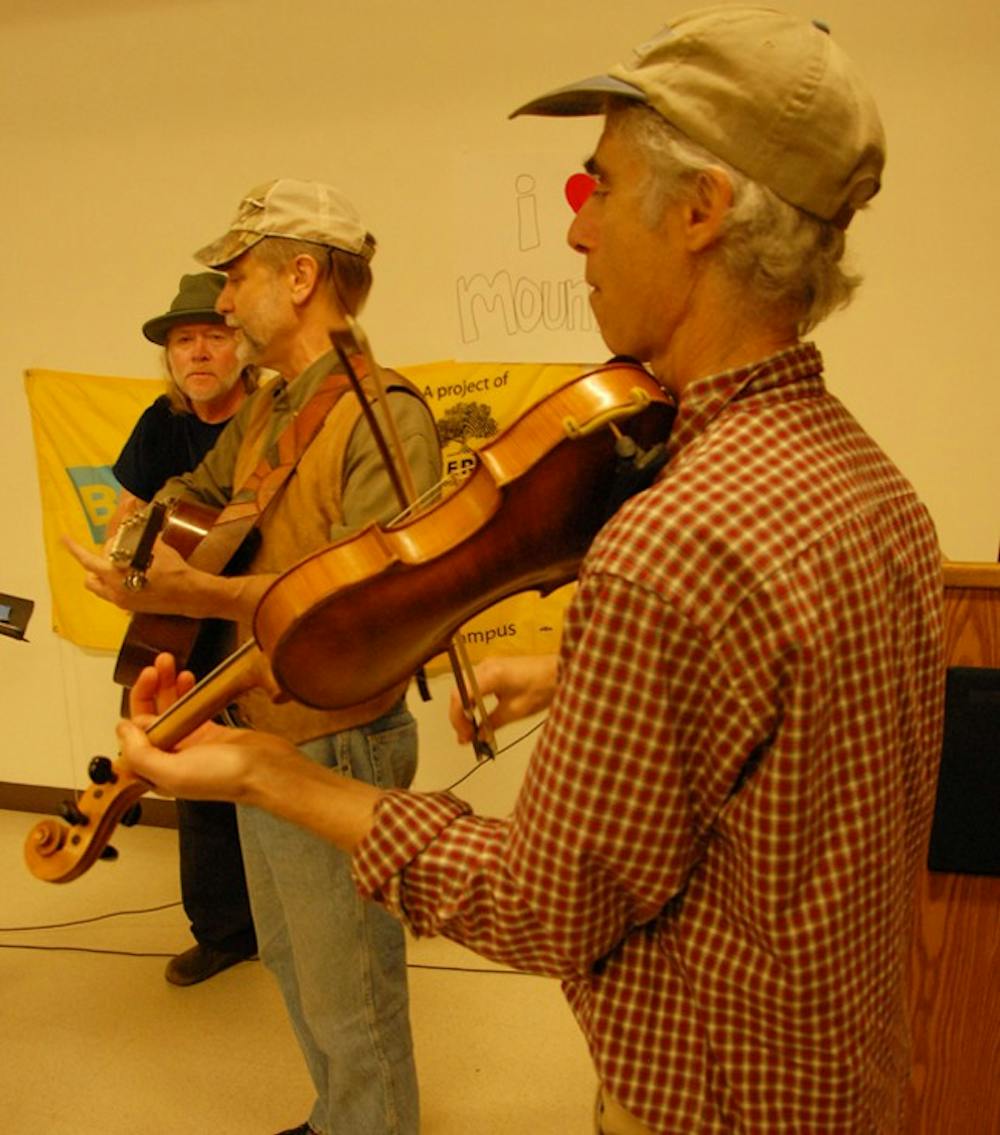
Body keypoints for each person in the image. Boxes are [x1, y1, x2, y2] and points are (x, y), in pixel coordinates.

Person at [114, 11, 945, 1134]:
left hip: (711, 1100)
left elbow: (545, 905)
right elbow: (782, 720)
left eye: (595, 187)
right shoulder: (869, 482)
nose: (577, 233)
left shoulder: (677, 538)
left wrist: (271, 774)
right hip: (839, 1073)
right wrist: (574, 668)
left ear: (699, 210)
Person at [70, 179, 441, 1135]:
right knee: (289, 956)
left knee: (351, 986)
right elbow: (193, 482)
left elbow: (369, 613)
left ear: (303, 275)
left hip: (336, 735)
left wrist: (204, 595)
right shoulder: (274, 405)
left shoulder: (384, 411)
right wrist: (139, 553)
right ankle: (338, 1118)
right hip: (260, 721)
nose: (223, 303)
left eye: (237, 278)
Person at [112, 271, 260, 987]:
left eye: (213, 335)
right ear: (169, 356)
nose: (198, 352)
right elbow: (126, 520)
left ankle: (285, 918)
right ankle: (224, 931)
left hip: (254, 620)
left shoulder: (269, 417)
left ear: (243, 344)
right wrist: (125, 573)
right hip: (177, 630)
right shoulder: (158, 425)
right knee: (195, 780)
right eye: (183, 340)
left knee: (274, 771)